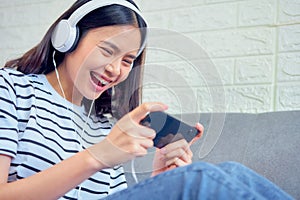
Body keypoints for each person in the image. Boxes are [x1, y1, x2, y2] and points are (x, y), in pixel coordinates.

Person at [0, 0, 293, 199]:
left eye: (127, 60)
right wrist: (97, 156)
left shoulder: (106, 126)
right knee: (202, 178)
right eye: (107, 50)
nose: (116, 70)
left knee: (231, 171)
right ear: (68, 38)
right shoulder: (11, 89)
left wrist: (159, 180)